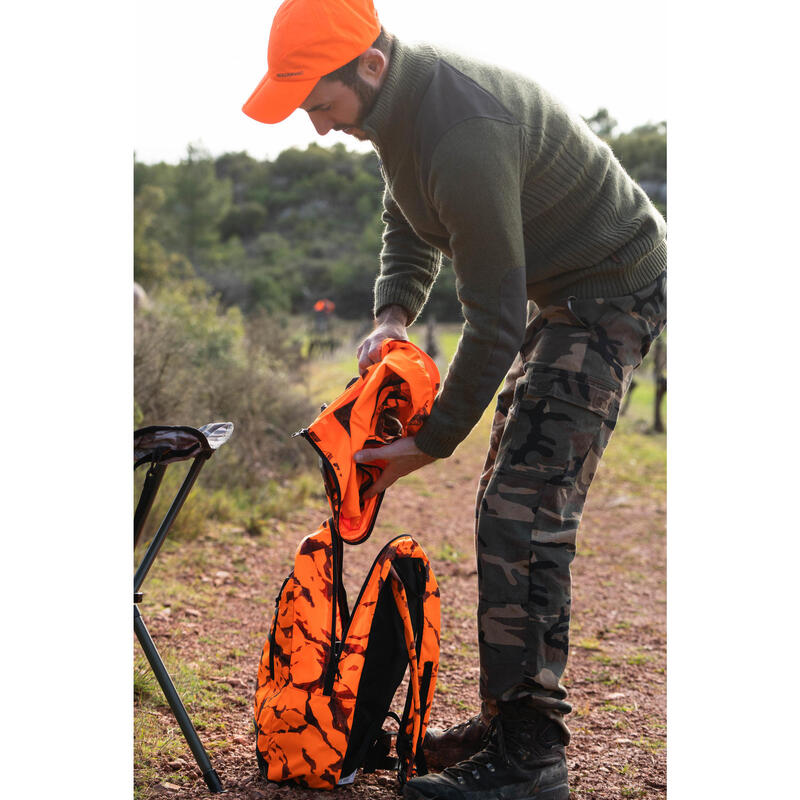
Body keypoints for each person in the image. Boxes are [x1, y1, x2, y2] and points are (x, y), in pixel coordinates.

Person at [242, 2, 667, 798]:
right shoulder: (400, 112)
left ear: (369, 66)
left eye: (321, 106)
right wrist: (391, 313)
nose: (320, 130)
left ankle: (532, 760)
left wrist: (428, 442)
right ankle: (513, 720)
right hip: (561, 296)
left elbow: (495, 317)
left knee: (524, 508)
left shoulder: (464, 129)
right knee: (507, 502)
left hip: (612, 288)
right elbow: (406, 209)